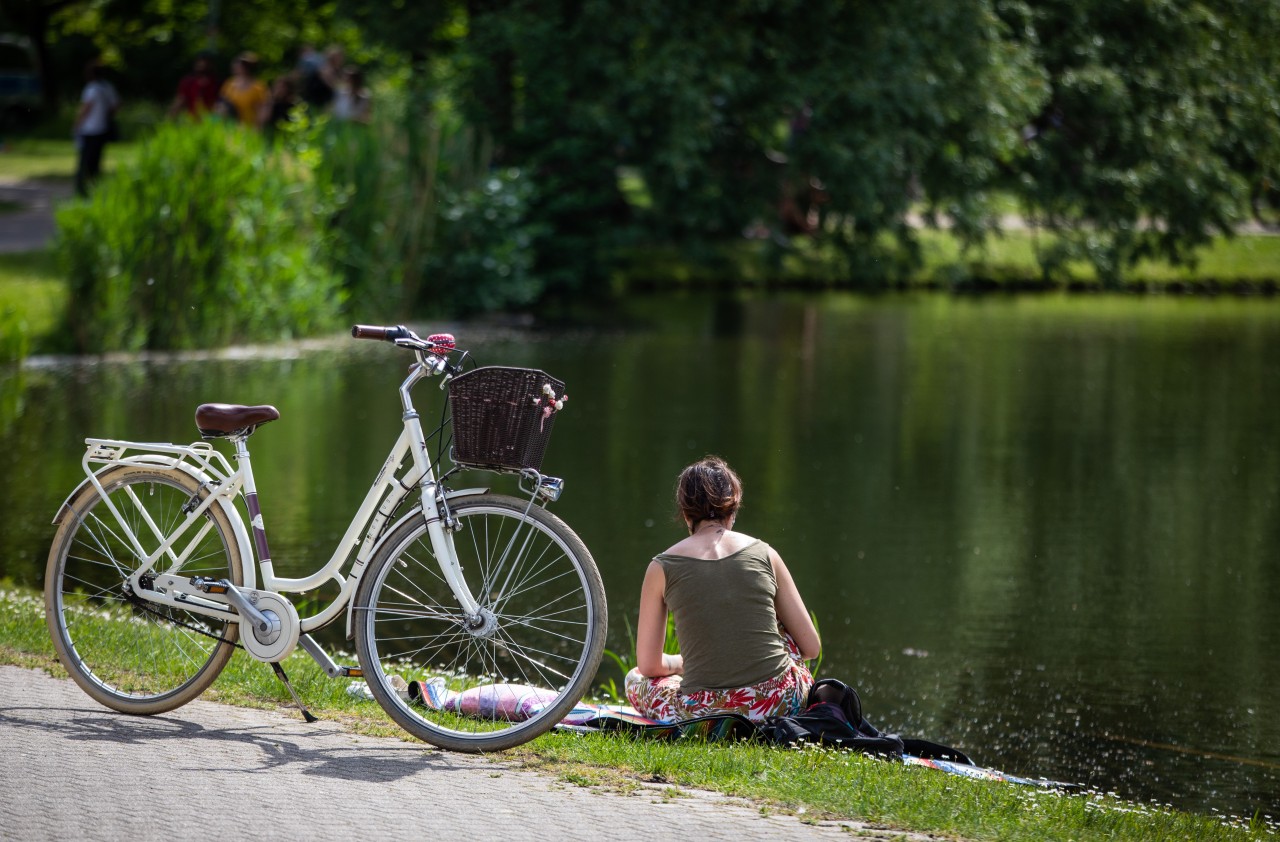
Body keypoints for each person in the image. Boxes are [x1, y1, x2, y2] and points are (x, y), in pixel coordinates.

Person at [626, 456, 821, 723]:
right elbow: (810, 647)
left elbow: (648, 666)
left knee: (634, 678)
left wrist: (681, 663)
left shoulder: (661, 567)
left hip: (705, 714)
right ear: (733, 510)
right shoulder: (764, 553)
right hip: (780, 703)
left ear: (685, 513)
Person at [73, 61, 120, 197]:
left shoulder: (91, 88)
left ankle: (82, 191)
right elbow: (117, 104)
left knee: (84, 162)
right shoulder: (107, 87)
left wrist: (76, 124)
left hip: (89, 130)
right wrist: (106, 114)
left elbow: (85, 108)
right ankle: (95, 188)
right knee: (96, 162)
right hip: (102, 129)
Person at [218, 52, 270, 128]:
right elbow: (221, 105)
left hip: (250, 128)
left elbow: (262, 112)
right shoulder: (229, 84)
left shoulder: (258, 87)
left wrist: (257, 128)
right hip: (231, 128)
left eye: (239, 65)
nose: (236, 66)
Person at [168, 53, 219, 119]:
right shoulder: (188, 81)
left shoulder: (216, 82)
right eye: (199, 62)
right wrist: (170, 118)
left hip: (211, 120)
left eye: (205, 62)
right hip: (192, 120)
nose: (201, 64)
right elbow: (180, 101)